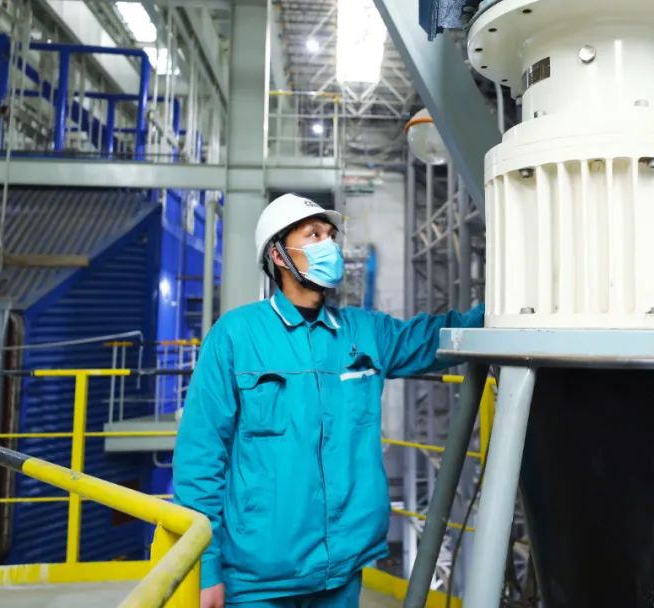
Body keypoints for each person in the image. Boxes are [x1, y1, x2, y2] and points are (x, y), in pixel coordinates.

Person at [174, 193, 485, 608]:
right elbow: (200, 457)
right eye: (314, 235)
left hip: (341, 569)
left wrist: (504, 310)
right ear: (279, 255)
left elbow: (438, 338)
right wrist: (205, 567)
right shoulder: (235, 336)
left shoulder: (364, 332)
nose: (330, 246)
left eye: (331, 236)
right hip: (256, 578)